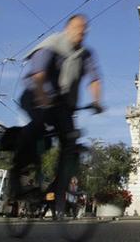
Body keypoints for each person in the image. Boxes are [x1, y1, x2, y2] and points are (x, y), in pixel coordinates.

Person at [11, 14, 103, 217]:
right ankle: (18, 170)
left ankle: (57, 188)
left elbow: (94, 79)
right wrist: (44, 100)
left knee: (69, 142)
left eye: (85, 28)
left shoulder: (85, 54)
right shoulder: (51, 45)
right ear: (68, 28)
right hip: (36, 94)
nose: (83, 31)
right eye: (79, 27)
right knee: (39, 125)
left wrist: (97, 101)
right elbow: (38, 75)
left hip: (62, 105)